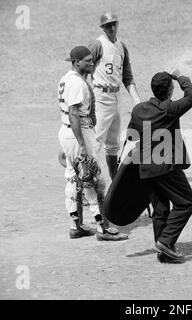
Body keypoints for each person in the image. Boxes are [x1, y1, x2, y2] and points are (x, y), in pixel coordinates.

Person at [127, 69, 192, 263]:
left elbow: (130, 135)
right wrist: (180, 77)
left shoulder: (138, 110)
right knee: (186, 202)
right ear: (169, 91)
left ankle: (164, 251)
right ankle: (166, 242)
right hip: (165, 167)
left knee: (160, 209)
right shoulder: (169, 108)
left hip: (145, 168)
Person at [57, 45, 128, 241]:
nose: (92, 63)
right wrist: (80, 143)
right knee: (94, 181)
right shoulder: (77, 84)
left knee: (73, 178)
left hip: (68, 133)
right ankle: (103, 228)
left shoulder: (66, 79)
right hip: (78, 134)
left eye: (92, 60)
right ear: (76, 62)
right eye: (87, 61)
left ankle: (76, 225)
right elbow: (73, 114)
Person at [88, 12, 141, 180]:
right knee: (94, 142)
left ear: (117, 24)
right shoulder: (97, 45)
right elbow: (84, 69)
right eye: (107, 25)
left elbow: (127, 77)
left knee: (113, 145)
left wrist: (137, 102)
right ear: (102, 27)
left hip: (116, 98)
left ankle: (114, 183)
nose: (111, 28)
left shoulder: (121, 46)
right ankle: (88, 183)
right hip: (101, 98)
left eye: (114, 24)